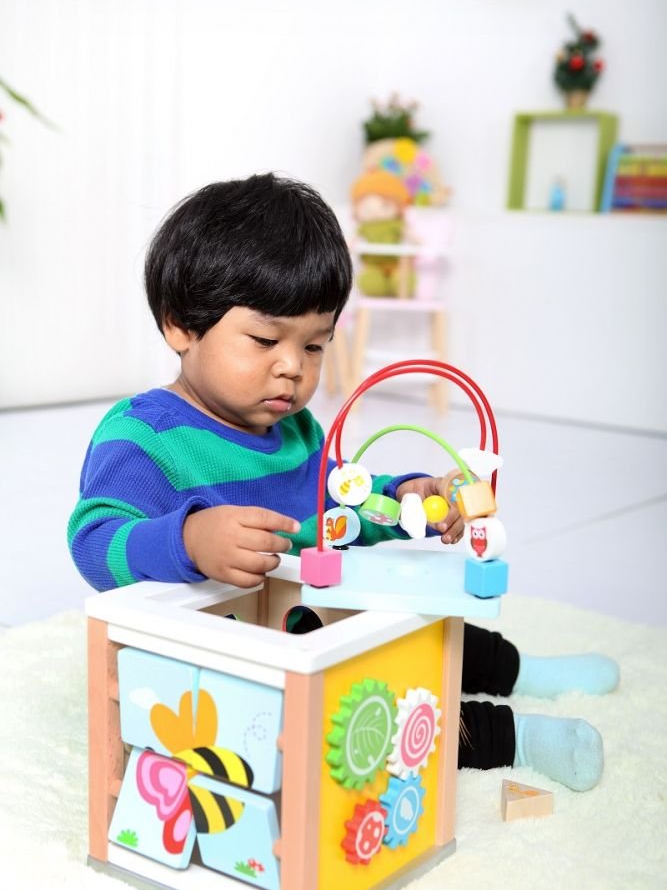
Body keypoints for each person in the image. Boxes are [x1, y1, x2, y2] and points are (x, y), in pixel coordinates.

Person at [67, 173, 618, 792]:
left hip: (304, 622)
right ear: (181, 326)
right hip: (224, 667)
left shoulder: (297, 431)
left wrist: (406, 496)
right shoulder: (143, 434)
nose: (292, 367)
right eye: (265, 340)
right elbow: (94, 541)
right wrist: (188, 540)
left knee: (424, 625)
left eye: (315, 346)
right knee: (375, 714)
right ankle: (512, 739)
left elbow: (341, 504)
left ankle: (523, 671)